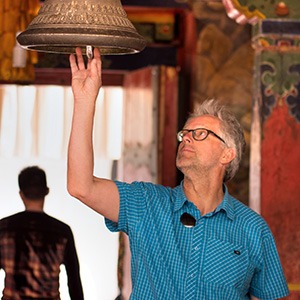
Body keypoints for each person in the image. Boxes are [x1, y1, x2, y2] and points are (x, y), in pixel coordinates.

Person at [67, 47, 289, 299]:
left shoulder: (252, 229)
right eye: (184, 134)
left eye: (200, 134)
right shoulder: (147, 204)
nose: (187, 140)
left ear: (228, 154)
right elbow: (80, 187)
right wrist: (84, 101)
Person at [0, 166, 84, 300]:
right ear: (47, 191)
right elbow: (74, 281)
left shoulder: (3, 228)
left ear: (21, 193)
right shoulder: (62, 232)